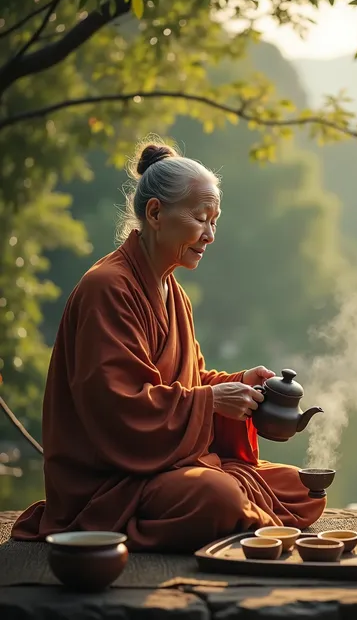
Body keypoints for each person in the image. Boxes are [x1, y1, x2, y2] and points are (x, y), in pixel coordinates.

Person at [12, 138, 326, 552]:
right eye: (200, 219)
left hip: (169, 464)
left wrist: (239, 382)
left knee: (302, 489)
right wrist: (211, 401)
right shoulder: (107, 287)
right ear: (156, 213)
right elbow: (119, 408)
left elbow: (192, 379)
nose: (210, 235)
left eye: (215, 221)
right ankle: (235, 517)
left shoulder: (173, 292)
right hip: (115, 480)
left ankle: (241, 516)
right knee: (219, 497)